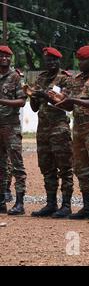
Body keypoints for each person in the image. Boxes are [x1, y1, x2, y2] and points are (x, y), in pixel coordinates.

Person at [49, 45, 89, 221]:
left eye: (83, 60)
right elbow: (70, 105)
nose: (80, 63)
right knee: (81, 168)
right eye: (79, 60)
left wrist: (73, 100)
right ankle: (88, 206)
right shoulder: (76, 79)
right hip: (78, 129)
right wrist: (59, 101)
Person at [27, 47, 74, 218]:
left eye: (54, 60)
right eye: (48, 60)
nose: (51, 63)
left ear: (59, 61)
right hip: (43, 129)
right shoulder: (40, 78)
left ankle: (67, 205)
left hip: (59, 128)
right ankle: (51, 203)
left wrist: (46, 96)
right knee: (47, 167)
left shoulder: (65, 79)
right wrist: (33, 97)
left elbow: (66, 104)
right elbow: (33, 109)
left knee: (65, 167)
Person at [0, 45, 27, 215]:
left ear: (11, 59)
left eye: (7, 56)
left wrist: (2, 101)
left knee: (16, 164)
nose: (3, 59)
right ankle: (2, 201)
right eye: (1, 56)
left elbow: (22, 101)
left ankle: (19, 202)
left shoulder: (15, 77)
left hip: (11, 125)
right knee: (1, 166)